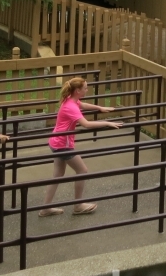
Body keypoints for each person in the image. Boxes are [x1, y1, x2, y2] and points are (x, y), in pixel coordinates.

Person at [39, 77, 122, 216]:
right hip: (62, 145)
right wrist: (107, 123)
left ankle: (45, 208)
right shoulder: (71, 106)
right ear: (77, 90)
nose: (87, 90)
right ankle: (78, 205)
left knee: (58, 175)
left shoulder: (71, 99)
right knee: (82, 170)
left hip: (56, 141)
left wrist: (99, 108)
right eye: (85, 88)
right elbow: (86, 124)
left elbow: (83, 105)